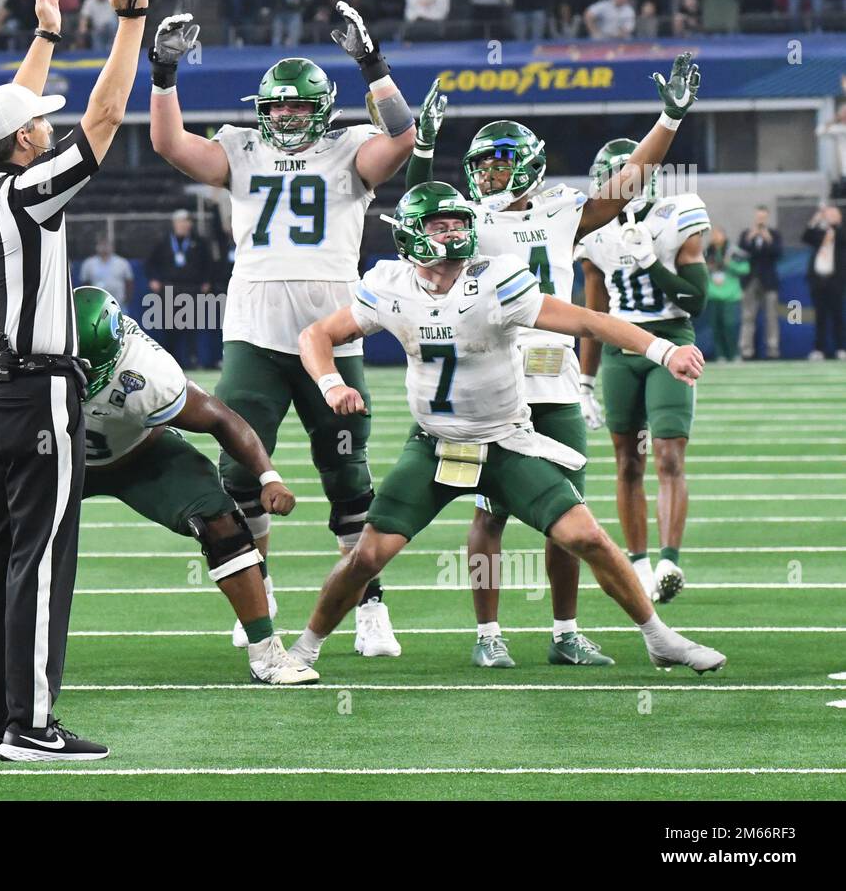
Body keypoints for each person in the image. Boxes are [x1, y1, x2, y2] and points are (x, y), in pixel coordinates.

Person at [288, 182, 725, 676]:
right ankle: (302, 649)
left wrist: (663, 351)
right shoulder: (389, 285)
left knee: (587, 537)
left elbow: (588, 321)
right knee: (367, 556)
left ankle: (659, 639)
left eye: (459, 223)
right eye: (441, 225)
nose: (454, 233)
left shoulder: (496, 280)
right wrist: (329, 384)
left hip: (504, 442)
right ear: (411, 232)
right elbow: (315, 335)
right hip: (436, 447)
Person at [403, 53, 702, 667]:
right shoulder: (466, 220)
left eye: (499, 163)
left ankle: (565, 631)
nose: (487, 175)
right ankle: (488, 635)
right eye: (480, 165)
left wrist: (668, 120)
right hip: (491, 382)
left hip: (555, 378)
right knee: (490, 512)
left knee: (568, 510)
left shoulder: (563, 211)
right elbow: (417, 208)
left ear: (530, 166)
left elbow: (627, 184)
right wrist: (424, 149)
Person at [149, 2, 418, 658]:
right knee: (238, 470)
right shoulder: (241, 145)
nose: (287, 116)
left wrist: (371, 63)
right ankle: (259, 592)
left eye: (298, 106)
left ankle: (368, 605)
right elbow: (168, 143)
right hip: (254, 327)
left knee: (348, 475)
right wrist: (162, 72)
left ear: (321, 109)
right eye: (277, 106)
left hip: (333, 330)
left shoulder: (351, 145)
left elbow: (405, 138)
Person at [0, 0, 146, 763]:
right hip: (37, 395)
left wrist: (47, 37)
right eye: (38, 127)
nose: (45, 131)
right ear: (25, 142)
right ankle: (30, 725)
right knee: (42, 560)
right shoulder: (31, 193)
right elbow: (102, 116)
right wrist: (129, 23)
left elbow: (1, 123)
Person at [74, 287, 315, 683]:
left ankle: (266, 654)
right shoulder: (28, 346)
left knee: (222, 523)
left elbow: (221, 419)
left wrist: (268, 477)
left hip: (141, 456)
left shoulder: (147, 371)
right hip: (59, 459)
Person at [579, 141, 712, 604]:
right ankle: (638, 564)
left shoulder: (677, 215)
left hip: (671, 341)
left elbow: (697, 300)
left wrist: (652, 261)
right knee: (627, 462)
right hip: (620, 347)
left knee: (669, 457)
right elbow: (592, 310)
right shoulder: (593, 231)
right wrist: (585, 379)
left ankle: (670, 558)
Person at [145, 209, 212, 368]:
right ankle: (170, 361)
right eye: (181, 221)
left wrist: (206, 281)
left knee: (192, 326)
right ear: (175, 223)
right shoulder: (163, 241)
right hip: (170, 288)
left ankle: (193, 360)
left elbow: (208, 264)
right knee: (169, 326)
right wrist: (154, 279)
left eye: (187, 221)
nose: (184, 224)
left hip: (192, 288)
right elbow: (150, 264)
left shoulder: (199, 242)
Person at [737, 206, 782, 360]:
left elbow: (779, 254)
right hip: (750, 280)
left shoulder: (774, 234)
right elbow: (740, 254)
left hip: (769, 281)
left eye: (764, 217)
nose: (761, 220)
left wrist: (768, 238)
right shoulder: (746, 234)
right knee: (748, 316)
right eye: (759, 217)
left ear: (767, 218)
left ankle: (772, 349)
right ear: (755, 217)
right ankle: (746, 351)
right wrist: (750, 238)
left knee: (771, 316)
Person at [803, 204, 846, 359]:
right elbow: (806, 237)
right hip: (818, 280)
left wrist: (833, 226)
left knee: (837, 316)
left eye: (832, 214)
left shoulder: (841, 231)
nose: (829, 216)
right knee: (820, 316)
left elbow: (840, 237)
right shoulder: (819, 232)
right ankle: (819, 349)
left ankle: (841, 348)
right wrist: (816, 219)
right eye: (828, 214)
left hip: (836, 279)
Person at [702, 227, 747, 362]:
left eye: (718, 234)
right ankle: (720, 354)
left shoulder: (734, 252)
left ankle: (734, 353)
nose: (715, 237)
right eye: (713, 234)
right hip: (713, 294)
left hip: (730, 295)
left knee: (730, 325)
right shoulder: (706, 252)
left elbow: (745, 268)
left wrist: (731, 265)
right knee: (716, 327)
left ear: (724, 235)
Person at [79, 235, 134, 311]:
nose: (104, 247)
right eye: (101, 245)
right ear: (96, 247)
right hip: (97, 305)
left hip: (119, 304)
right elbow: (85, 284)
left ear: (112, 247)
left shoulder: (122, 262)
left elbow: (129, 282)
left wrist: (127, 299)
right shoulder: (89, 263)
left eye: (106, 244)